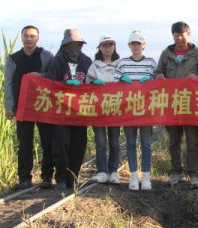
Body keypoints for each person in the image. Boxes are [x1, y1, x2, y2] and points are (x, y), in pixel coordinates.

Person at [155, 21, 198, 189]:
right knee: (174, 140)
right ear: (173, 36)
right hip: (171, 104)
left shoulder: (197, 53)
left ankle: (194, 174)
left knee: (193, 141)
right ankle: (176, 172)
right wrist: (159, 76)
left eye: (182, 35)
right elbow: (158, 71)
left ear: (189, 35)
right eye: (176, 35)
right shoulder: (166, 54)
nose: (179, 38)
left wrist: (197, 78)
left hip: (191, 104)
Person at [4, 26, 55, 189]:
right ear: (21, 38)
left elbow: (55, 76)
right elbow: (8, 83)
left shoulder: (46, 56)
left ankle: (47, 177)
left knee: (47, 141)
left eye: (32, 36)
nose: (29, 39)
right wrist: (9, 106)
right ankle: (24, 178)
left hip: (43, 105)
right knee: (25, 143)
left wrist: (41, 76)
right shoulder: (13, 59)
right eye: (26, 36)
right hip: (23, 106)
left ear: (37, 38)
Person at [46, 29, 93, 190]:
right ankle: (61, 178)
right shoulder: (57, 62)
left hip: (80, 111)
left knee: (78, 144)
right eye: (70, 45)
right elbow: (50, 84)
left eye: (77, 45)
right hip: (61, 112)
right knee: (61, 143)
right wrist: (64, 84)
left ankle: (73, 176)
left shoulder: (86, 61)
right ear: (64, 46)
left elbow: (92, 81)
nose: (74, 48)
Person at [114, 30, 156, 190]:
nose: (136, 46)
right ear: (129, 45)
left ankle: (146, 175)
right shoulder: (122, 63)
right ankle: (133, 174)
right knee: (130, 143)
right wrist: (121, 80)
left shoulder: (151, 62)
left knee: (146, 143)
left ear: (143, 45)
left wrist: (149, 81)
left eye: (139, 43)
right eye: (133, 44)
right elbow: (115, 82)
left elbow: (157, 83)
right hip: (129, 110)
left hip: (145, 110)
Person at [86, 35, 121, 185]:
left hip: (115, 108)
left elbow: (127, 83)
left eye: (110, 45)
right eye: (105, 46)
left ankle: (113, 171)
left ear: (114, 47)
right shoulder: (94, 66)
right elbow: (87, 83)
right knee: (100, 142)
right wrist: (93, 82)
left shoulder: (120, 64)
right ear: (100, 48)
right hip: (98, 109)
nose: (108, 48)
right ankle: (102, 171)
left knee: (115, 142)